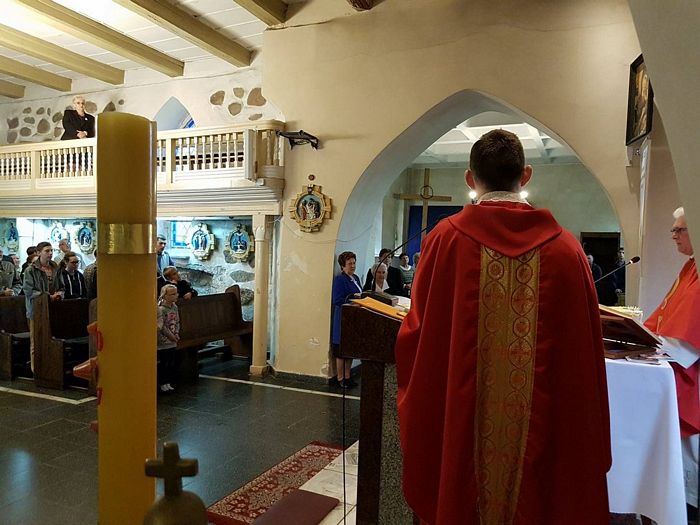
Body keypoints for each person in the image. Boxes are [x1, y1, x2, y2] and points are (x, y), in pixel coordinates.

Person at [395, 129, 610, 525]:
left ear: (469, 178)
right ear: (525, 176)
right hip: (542, 443)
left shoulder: (444, 240)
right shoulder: (567, 249)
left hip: (463, 434)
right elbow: (584, 357)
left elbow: (418, 334)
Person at [644, 206, 700, 510]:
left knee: (689, 450)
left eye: (680, 229)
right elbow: (667, 313)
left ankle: (686, 506)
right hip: (676, 360)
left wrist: (654, 346)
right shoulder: (691, 266)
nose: (674, 235)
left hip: (690, 370)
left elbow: (689, 335)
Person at [23, 242, 64, 372]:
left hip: (53, 308)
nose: (50, 253)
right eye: (47, 251)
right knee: (36, 341)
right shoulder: (31, 270)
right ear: (39, 252)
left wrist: (60, 294)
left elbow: (61, 286)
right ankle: (35, 369)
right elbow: (28, 291)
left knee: (52, 339)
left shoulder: (55, 268)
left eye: (51, 251)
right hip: (36, 310)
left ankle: (50, 368)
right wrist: (47, 296)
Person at [330, 251, 362, 388]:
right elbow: (337, 300)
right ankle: (340, 378)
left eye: (354, 263)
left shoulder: (355, 278)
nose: (353, 266)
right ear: (343, 266)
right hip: (343, 319)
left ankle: (348, 376)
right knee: (341, 351)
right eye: (350, 264)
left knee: (350, 350)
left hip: (353, 319)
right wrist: (352, 301)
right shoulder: (340, 280)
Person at [157, 284, 180, 393]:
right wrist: (171, 336)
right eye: (172, 294)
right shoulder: (161, 309)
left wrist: (176, 332)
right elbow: (162, 327)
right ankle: (162, 383)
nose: (175, 296)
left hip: (173, 338)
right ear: (165, 295)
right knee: (164, 362)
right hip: (164, 340)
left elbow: (177, 321)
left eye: (176, 293)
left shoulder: (175, 307)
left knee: (171, 362)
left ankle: (168, 382)